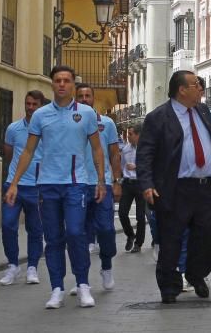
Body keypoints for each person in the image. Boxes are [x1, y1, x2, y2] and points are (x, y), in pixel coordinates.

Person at [4, 65, 106, 309]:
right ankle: (57, 288)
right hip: (47, 185)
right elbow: (28, 151)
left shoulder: (86, 114)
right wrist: (14, 183)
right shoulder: (41, 115)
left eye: (66, 80)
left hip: (76, 183)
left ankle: (82, 285)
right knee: (53, 238)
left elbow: (96, 148)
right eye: (57, 80)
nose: (62, 84)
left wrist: (101, 181)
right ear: (52, 84)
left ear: (73, 84)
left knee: (75, 232)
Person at [137, 70, 211, 304]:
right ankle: (169, 286)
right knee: (171, 239)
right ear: (182, 89)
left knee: (205, 239)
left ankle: (196, 274)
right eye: (196, 85)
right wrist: (147, 184)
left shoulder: (204, 112)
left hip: (205, 188)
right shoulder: (158, 117)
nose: (201, 88)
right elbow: (145, 154)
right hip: (174, 188)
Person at [75, 83, 121, 293]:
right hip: (78, 183)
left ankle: (107, 266)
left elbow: (114, 154)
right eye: (81, 96)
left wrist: (117, 181)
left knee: (106, 229)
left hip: (103, 184)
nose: (84, 99)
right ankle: (81, 280)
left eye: (88, 96)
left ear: (93, 99)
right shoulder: (71, 122)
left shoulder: (108, 124)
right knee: (78, 234)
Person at [0, 90, 46, 286]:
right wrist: (13, 178)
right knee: (8, 225)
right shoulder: (13, 128)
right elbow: (8, 154)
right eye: (28, 104)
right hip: (14, 185)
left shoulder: (47, 130)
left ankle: (32, 267)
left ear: (41, 106)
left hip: (37, 187)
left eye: (34, 104)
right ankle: (12, 265)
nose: (30, 108)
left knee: (35, 229)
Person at [119, 124, 146, 253]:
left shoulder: (146, 148)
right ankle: (130, 234)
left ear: (138, 135)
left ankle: (138, 243)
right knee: (122, 212)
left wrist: (137, 167)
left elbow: (150, 166)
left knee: (140, 216)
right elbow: (122, 166)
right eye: (127, 134)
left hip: (141, 183)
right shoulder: (125, 149)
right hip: (128, 184)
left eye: (131, 134)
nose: (128, 137)